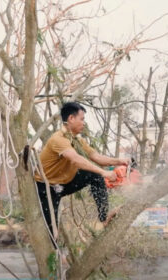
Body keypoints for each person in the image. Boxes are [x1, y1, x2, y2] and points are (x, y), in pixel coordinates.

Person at [35, 102, 130, 239]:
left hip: (64, 183)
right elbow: (75, 159)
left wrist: (119, 161)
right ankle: (55, 254)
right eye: (82, 119)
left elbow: (96, 157)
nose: (84, 123)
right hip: (46, 187)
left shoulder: (76, 139)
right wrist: (104, 172)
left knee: (95, 176)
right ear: (71, 119)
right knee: (52, 231)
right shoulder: (58, 139)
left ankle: (103, 220)